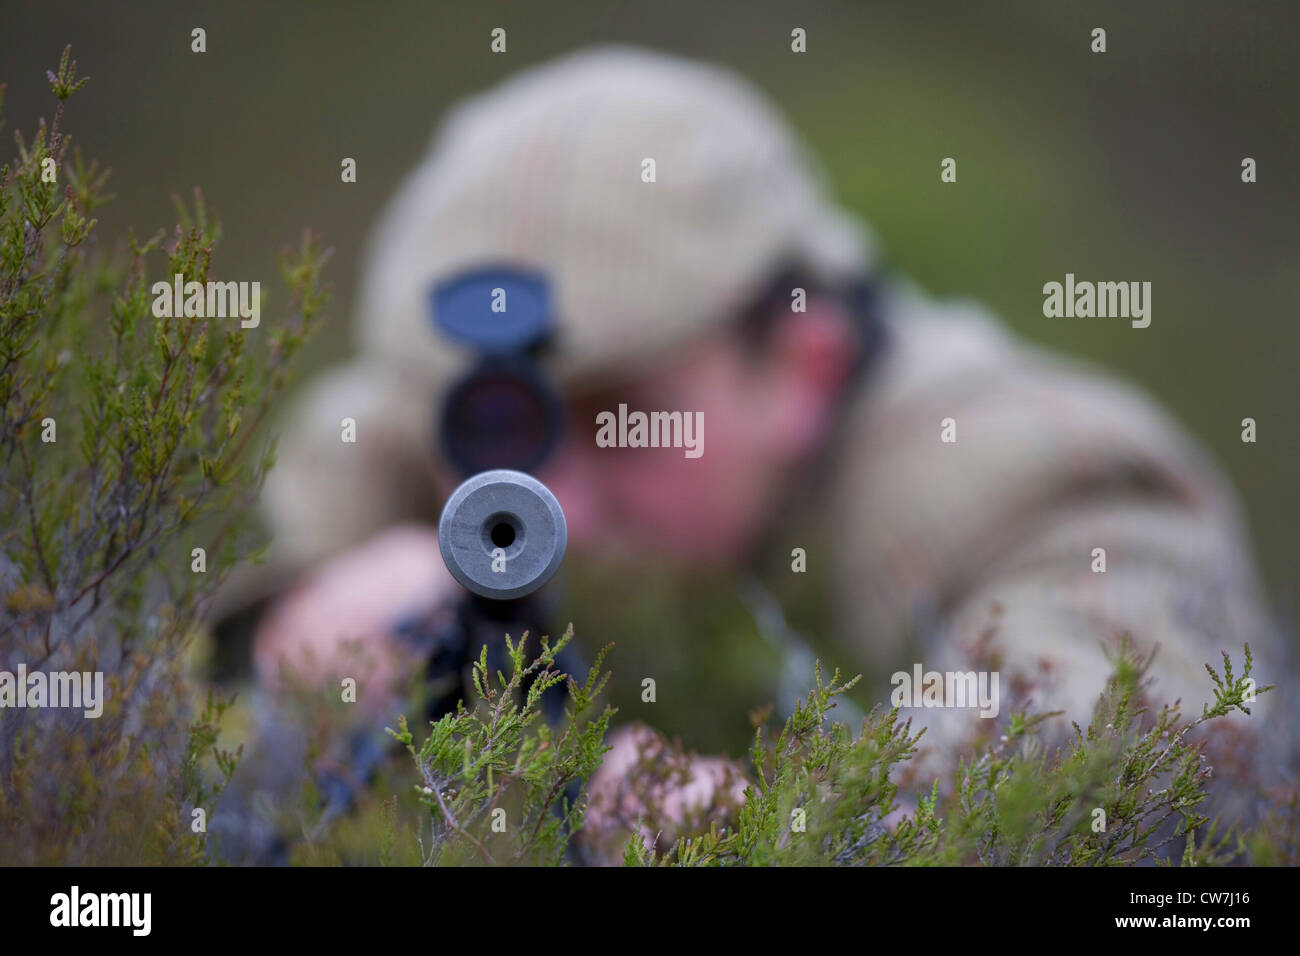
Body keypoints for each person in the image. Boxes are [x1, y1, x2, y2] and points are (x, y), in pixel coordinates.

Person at [219, 46, 1290, 860]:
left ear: (800, 366)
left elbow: (1131, 751)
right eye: (500, 426)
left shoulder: (1033, 469)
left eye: (617, 418)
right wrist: (283, 654)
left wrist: (777, 826)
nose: (548, 504)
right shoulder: (405, 429)